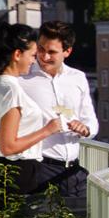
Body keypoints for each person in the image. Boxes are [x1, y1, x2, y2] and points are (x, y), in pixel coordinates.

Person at [0, 23, 72, 196]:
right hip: (19, 173)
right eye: (33, 55)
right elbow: (8, 147)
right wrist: (47, 130)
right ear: (17, 54)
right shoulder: (12, 91)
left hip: (5, 170)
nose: (34, 61)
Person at [19, 26, 96, 200]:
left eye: (52, 52)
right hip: (39, 169)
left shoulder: (78, 77)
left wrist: (86, 129)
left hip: (74, 172)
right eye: (41, 49)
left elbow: (90, 119)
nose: (44, 57)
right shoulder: (21, 78)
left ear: (67, 52)